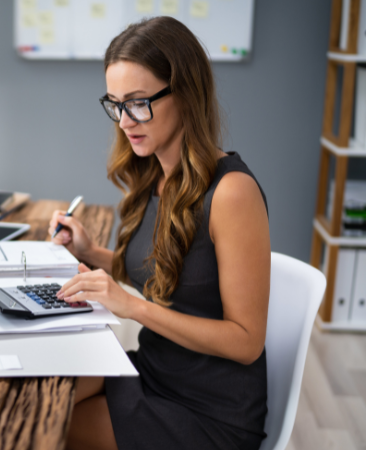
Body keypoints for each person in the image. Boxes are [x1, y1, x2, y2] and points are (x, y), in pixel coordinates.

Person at [48, 16, 270, 450]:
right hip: (155, 370)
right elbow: (172, 277)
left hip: (210, 411)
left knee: (47, 428)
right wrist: (92, 252)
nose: (125, 121)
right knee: (41, 395)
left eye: (138, 102)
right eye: (115, 104)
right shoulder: (157, 176)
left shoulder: (231, 193)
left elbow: (246, 342)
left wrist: (132, 308)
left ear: (185, 93)